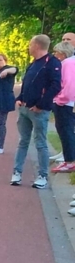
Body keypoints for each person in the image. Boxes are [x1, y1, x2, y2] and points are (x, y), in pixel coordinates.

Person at [11, 34, 63, 188]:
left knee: (40, 143)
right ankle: (17, 172)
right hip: (25, 108)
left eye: (30, 44)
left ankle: (42, 176)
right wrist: (20, 97)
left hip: (39, 110)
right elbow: (27, 83)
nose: (28, 47)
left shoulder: (52, 63)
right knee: (23, 141)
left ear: (37, 46)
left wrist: (41, 104)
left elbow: (56, 86)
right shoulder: (32, 64)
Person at [51, 39, 75, 173]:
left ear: (63, 53)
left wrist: (60, 99)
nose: (55, 55)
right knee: (66, 131)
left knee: (65, 131)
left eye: (56, 52)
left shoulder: (67, 63)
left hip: (65, 104)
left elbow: (70, 85)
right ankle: (69, 159)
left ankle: (70, 161)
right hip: (67, 102)